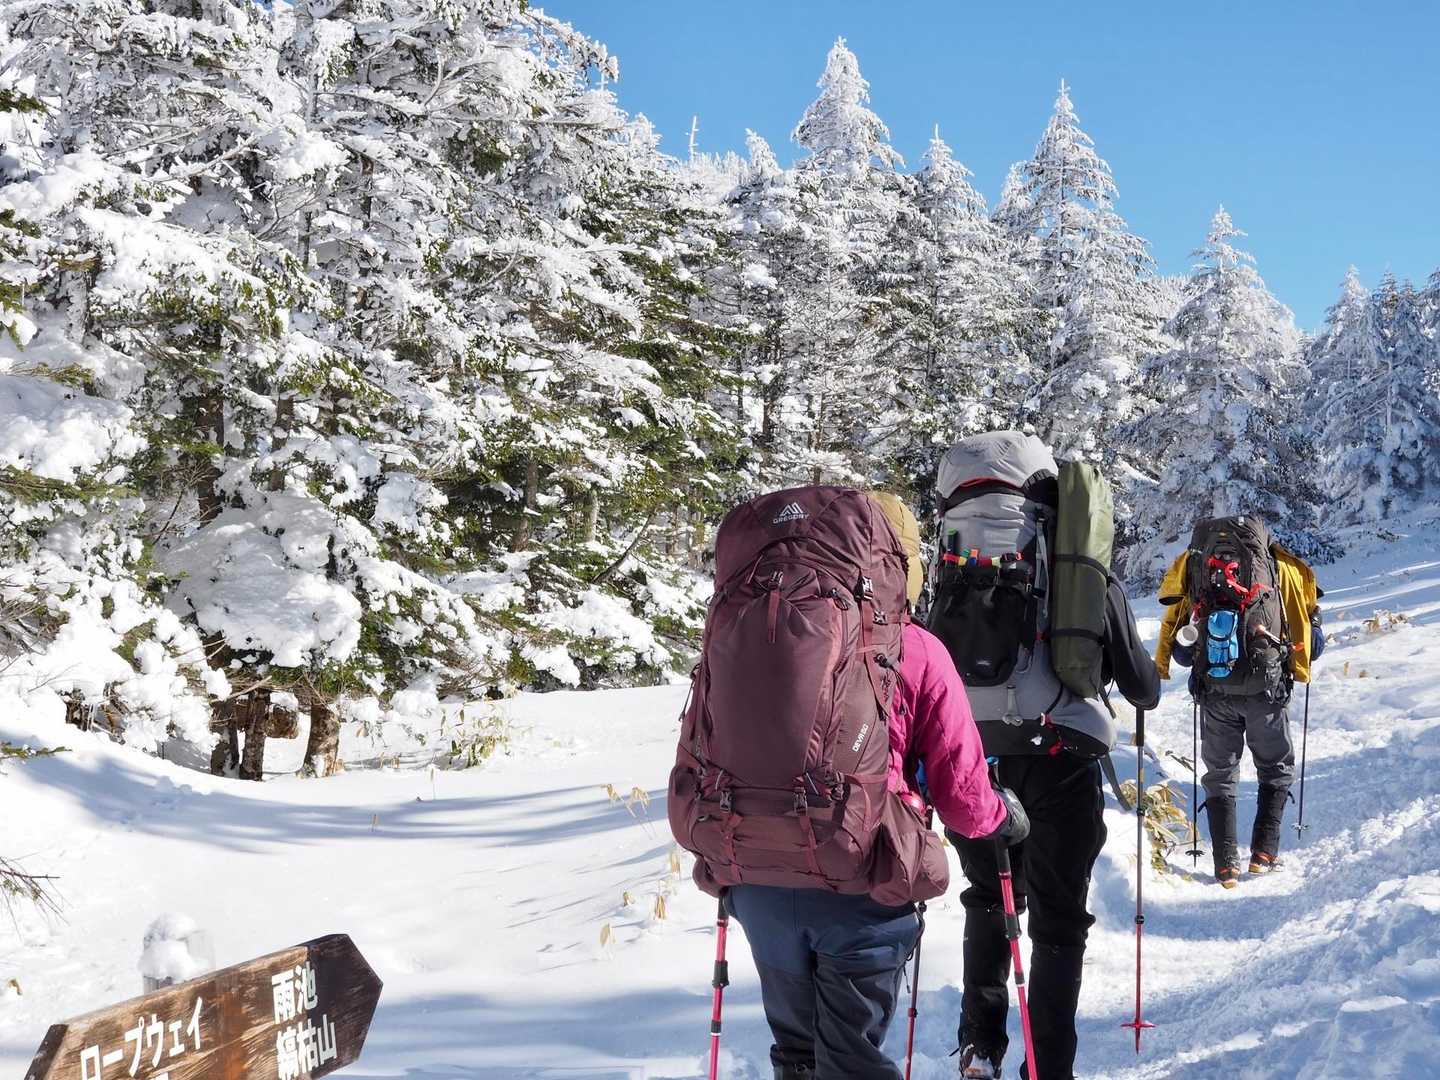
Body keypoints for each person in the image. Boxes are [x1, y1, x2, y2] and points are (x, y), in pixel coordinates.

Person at [715, 492, 1028, 1080]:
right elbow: (963, 798)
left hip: (757, 875)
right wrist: (1003, 818)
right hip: (862, 879)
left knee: (798, 1056)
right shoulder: (916, 649)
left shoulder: (750, 634)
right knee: (851, 1061)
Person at [924, 431, 1160, 1080]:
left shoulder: (950, 559)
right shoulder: (1076, 566)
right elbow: (1142, 686)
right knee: (1058, 920)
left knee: (988, 895)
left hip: (970, 759)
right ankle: (1048, 1067)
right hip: (1059, 752)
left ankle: (979, 1047)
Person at [1155, 515, 1323, 887]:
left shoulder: (1193, 564)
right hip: (1266, 688)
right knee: (1275, 767)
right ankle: (1263, 853)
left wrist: (1164, 663)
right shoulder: (1283, 567)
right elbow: (1312, 642)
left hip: (1214, 688)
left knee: (1220, 774)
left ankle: (1225, 865)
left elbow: (1177, 633)